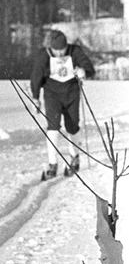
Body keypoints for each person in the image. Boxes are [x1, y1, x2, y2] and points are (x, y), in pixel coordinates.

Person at [30, 28, 95, 180]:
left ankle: (74, 157)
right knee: (53, 126)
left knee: (72, 125)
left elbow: (90, 69)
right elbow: (36, 76)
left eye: (62, 50)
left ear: (67, 46)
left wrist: (83, 72)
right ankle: (52, 163)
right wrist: (35, 97)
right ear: (50, 48)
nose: (59, 53)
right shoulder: (43, 55)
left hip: (71, 92)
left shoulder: (75, 51)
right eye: (55, 50)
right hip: (52, 94)